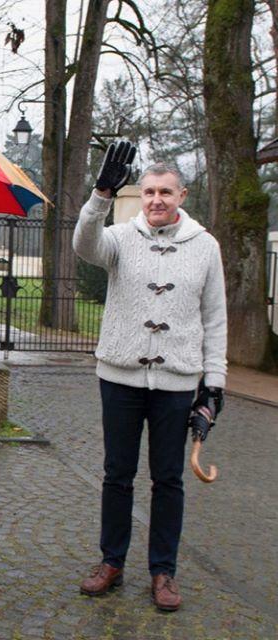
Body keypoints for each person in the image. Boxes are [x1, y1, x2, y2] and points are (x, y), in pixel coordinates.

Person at [73, 142, 227, 612]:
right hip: (120, 376)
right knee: (117, 474)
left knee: (169, 479)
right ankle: (111, 561)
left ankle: (163, 571)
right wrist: (101, 193)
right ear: (140, 196)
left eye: (166, 192)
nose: (157, 199)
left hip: (177, 381)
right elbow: (84, 244)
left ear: (182, 195)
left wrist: (214, 387)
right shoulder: (119, 238)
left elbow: (215, 319)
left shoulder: (205, 247)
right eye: (149, 192)